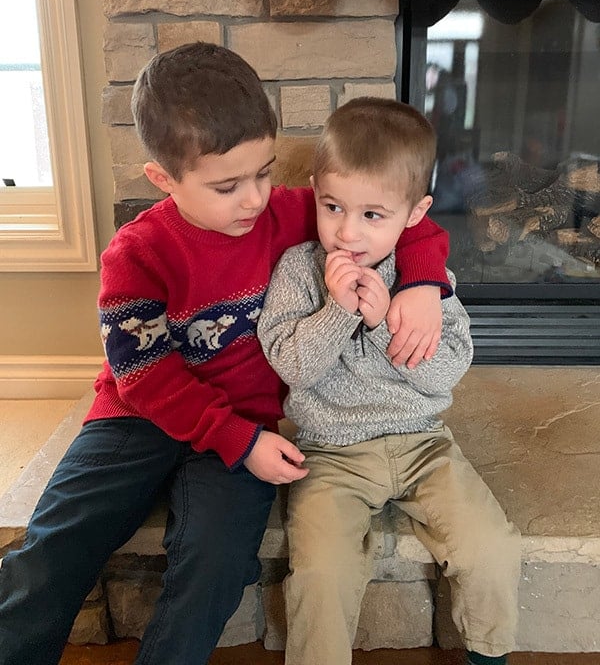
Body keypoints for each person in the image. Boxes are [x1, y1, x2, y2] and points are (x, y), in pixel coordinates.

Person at [0, 44, 452, 665]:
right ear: (163, 178)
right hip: (140, 417)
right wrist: (234, 438)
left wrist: (424, 284)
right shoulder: (137, 254)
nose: (254, 198)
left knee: (216, 562)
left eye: (265, 172)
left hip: (247, 425)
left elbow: (403, 211)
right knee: (58, 541)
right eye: (227, 185)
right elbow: (147, 380)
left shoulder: (290, 214)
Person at [257, 97, 521, 665]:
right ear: (315, 191)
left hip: (423, 443)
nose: (347, 232)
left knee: (491, 546)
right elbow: (292, 367)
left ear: (415, 212)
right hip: (331, 453)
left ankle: (489, 653)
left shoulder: (427, 281)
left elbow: (446, 370)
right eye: (332, 207)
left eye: (372, 215)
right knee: (321, 572)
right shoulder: (300, 270)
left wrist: (382, 323)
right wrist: (339, 311)